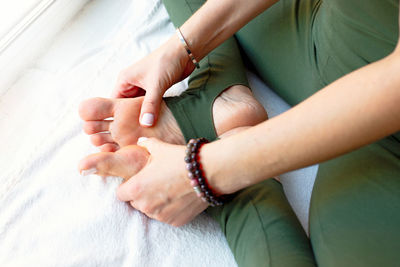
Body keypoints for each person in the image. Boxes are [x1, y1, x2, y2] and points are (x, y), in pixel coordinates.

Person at [79, 0, 400, 266]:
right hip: (330, 31)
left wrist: (207, 171)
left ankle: (241, 167)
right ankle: (219, 96)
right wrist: (182, 48)